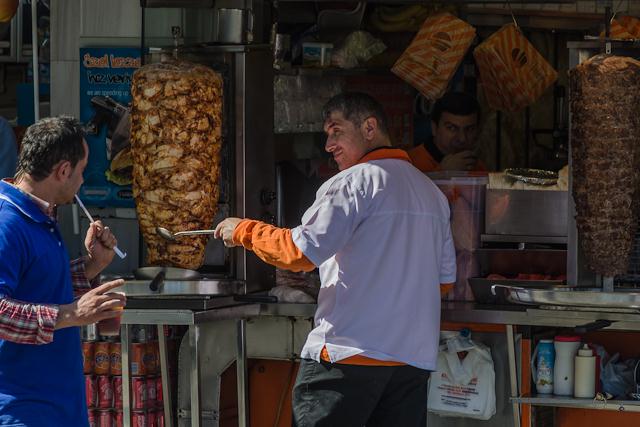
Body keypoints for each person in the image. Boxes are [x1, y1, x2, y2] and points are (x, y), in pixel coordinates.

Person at [215, 92, 456, 426]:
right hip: (410, 363)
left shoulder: (353, 183)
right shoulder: (431, 193)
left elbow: (299, 253)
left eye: (336, 131)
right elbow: (443, 284)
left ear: (369, 128)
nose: (328, 144)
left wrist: (243, 230)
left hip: (347, 357)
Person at [0, 116, 126, 426]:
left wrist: (92, 264)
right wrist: (73, 314)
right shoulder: (8, 223)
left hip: (58, 407)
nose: (82, 181)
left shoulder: (39, 218)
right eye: (81, 171)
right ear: (63, 171)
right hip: (23, 410)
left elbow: (40, 286)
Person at [408, 92, 484, 173]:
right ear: (434, 128)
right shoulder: (410, 163)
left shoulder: (477, 166)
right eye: (452, 128)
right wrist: (443, 173)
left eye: (469, 129)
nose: (462, 138)